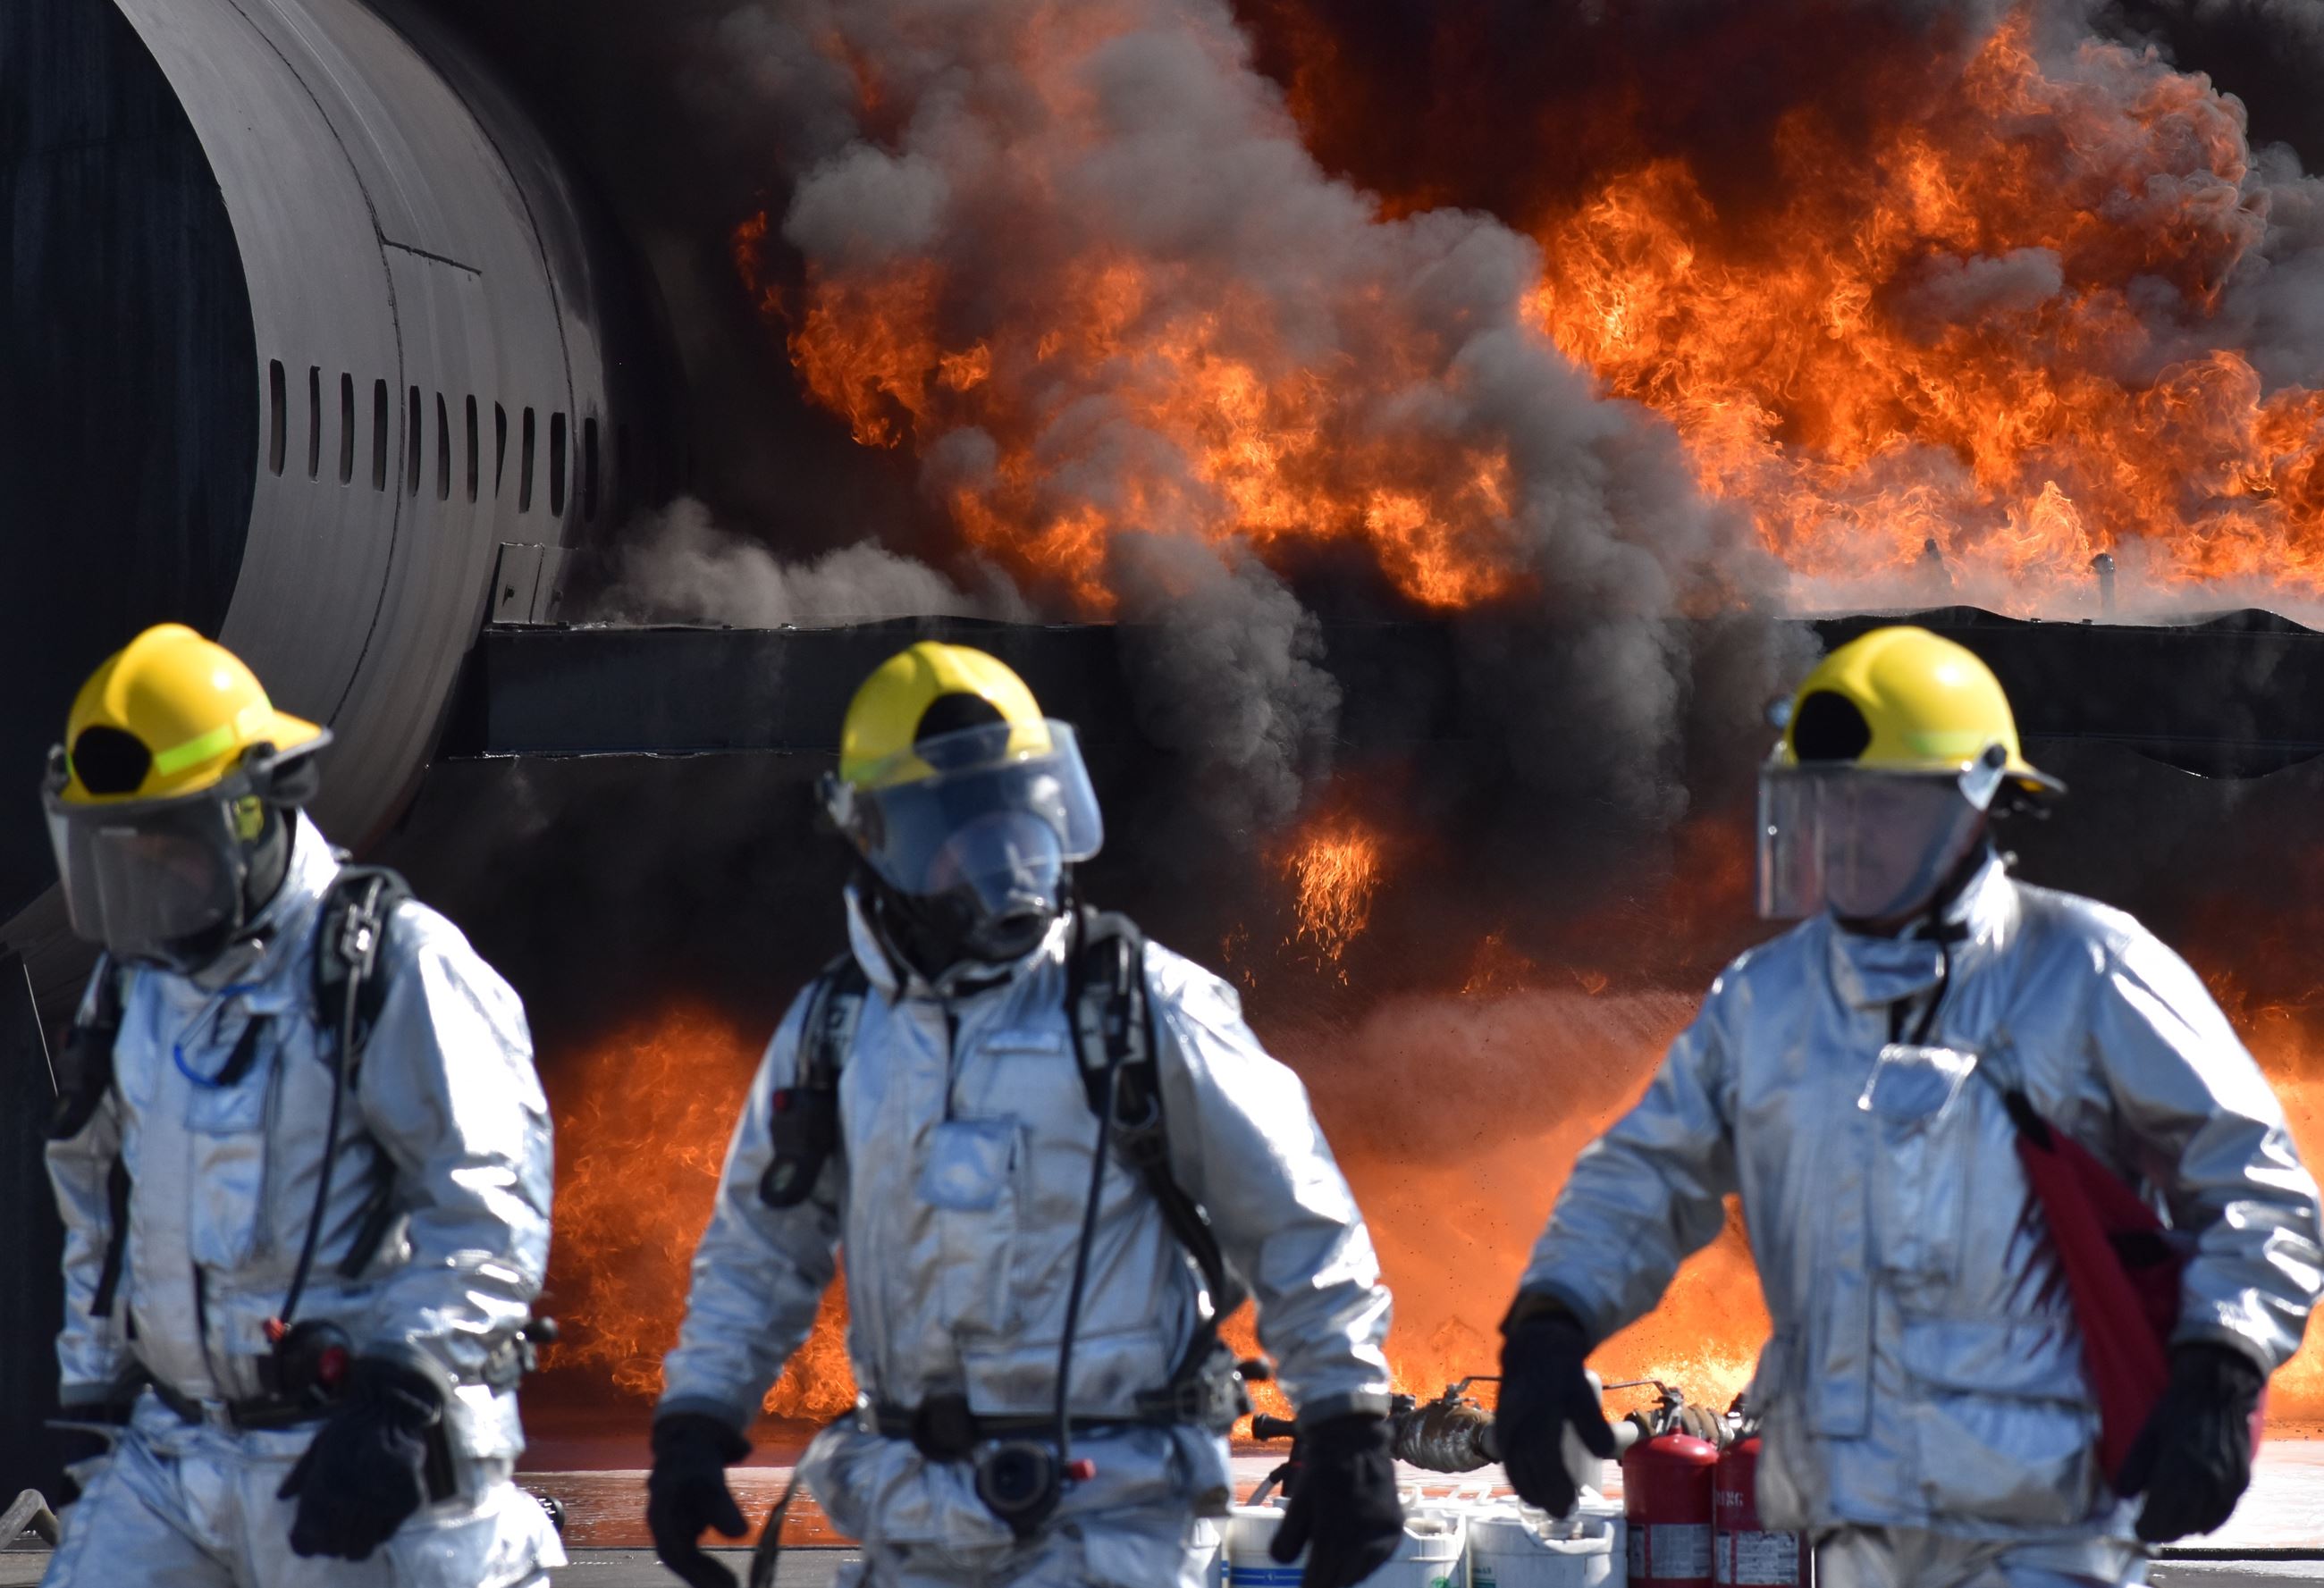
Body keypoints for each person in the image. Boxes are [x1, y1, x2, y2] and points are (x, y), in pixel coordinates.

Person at [1494, 625, 2323, 1588]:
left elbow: (2258, 1192)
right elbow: (1644, 1178)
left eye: (1878, 803)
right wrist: (1550, 1324)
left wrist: (2221, 1362)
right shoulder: (1770, 998)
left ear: (1971, 803)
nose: (1842, 834)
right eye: (1822, 803)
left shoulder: (2087, 968)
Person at [648, 641, 1399, 1588]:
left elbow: (1295, 1219)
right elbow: (760, 1250)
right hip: (911, 1521)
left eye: (1013, 817)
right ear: (875, 837)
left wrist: (1345, 1417)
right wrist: (698, 1418)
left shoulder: (1139, 1008)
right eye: (953, 827)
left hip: (1111, 1527)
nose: (996, 860)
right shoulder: (836, 1029)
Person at [38, 623, 563, 1588]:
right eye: (121, 853)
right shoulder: (134, 990)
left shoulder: (390, 967)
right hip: (175, 1461)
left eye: (170, 844)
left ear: (249, 816)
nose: (147, 878)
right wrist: (97, 1389)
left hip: (362, 1458)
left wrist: (402, 1399)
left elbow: (489, 1200)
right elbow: (95, 1196)